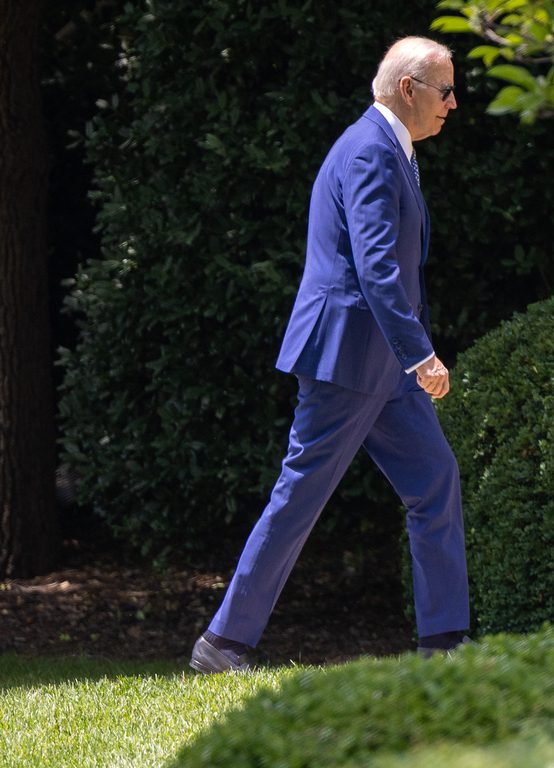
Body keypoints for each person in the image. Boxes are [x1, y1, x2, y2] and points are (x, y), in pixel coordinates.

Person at [190, 36, 470, 673]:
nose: (453, 104)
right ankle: (223, 645)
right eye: (446, 91)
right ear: (409, 89)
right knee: (299, 497)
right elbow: (375, 269)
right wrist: (421, 354)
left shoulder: (386, 148)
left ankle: (445, 644)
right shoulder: (370, 150)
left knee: (434, 481)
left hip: (384, 367)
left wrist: (407, 357)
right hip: (349, 359)